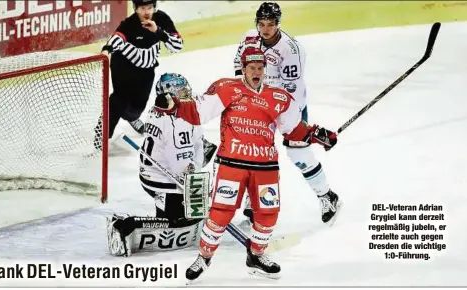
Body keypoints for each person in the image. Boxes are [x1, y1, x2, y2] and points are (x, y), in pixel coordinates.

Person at [154, 47, 337, 280]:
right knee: (220, 213)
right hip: (232, 163)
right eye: (252, 68)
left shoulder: (279, 98)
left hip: (266, 167)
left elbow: (294, 131)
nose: (256, 72)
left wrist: (318, 134)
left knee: (268, 214)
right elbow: (197, 111)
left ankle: (257, 256)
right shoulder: (227, 88)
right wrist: (173, 106)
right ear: (243, 69)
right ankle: (204, 257)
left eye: (260, 68)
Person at [233, 2, 341, 225]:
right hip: (257, 104)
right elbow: (238, 64)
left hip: (288, 105)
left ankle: (327, 196)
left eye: (270, 24)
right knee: (253, 151)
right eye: (261, 24)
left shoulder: (291, 50)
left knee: (298, 154)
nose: (265, 29)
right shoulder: (249, 38)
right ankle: (254, 199)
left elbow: (289, 92)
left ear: (278, 24)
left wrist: (299, 128)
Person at [106, 73, 215, 257]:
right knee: (182, 222)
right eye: (181, 92)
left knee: (204, 149)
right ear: (169, 95)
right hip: (163, 181)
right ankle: (124, 226)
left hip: (151, 172)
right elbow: (182, 169)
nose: (187, 94)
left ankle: (167, 204)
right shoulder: (177, 124)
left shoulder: (158, 110)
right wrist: (197, 193)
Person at [100, 0, 183, 140]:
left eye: (149, 7)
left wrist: (158, 32)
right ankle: (103, 134)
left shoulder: (162, 19)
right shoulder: (129, 24)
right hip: (123, 66)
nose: (146, 12)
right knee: (120, 99)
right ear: (135, 9)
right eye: (142, 8)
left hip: (146, 70)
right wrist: (107, 50)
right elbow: (116, 39)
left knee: (135, 111)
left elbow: (177, 46)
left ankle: (129, 117)